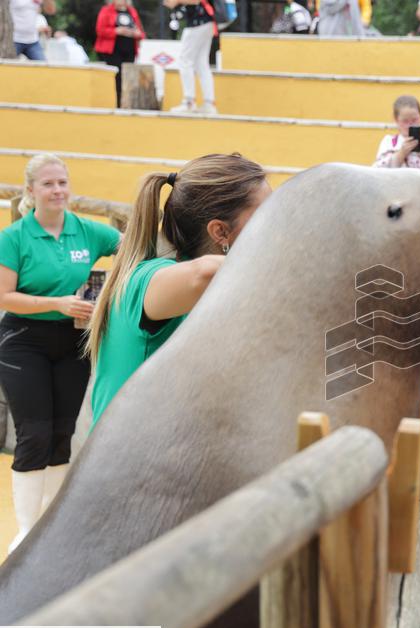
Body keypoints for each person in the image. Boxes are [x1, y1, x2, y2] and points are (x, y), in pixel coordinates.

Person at [88, 154, 271, 426]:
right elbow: (204, 273)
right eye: (265, 215)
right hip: (127, 462)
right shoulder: (146, 278)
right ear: (220, 231)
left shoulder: (224, 287)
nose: (274, 224)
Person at [0, 155, 120, 554]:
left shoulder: (88, 232)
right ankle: (26, 532)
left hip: (72, 341)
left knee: (61, 435)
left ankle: (51, 532)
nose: (57, 191)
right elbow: (4, 296)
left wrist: (111, 293)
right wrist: (58, 303)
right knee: (34, 434)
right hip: (23, 338)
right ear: (31, 191)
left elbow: (133, 248)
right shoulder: (14, 237)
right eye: (48, 184)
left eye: (62, 183)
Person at [163, 0, 218, 114]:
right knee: (201, 63)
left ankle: (189, 102)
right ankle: (209, 103)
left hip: (198, 22)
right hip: (205, 21)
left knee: (185, 60)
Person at [95, 0, 146, 107]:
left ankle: (126, 103)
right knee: (116, 77)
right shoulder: (106, 11)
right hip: (112, 50)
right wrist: (116, 31)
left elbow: (141, 32)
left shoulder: (132, 11)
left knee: (127, 77)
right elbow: (100, 30)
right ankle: (116, 103)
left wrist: (136, 33)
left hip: (129, 50)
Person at [374, 95, 420, 169]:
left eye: (414, 120)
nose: (410, 125)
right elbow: (378, 171)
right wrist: (401, 154)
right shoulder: (389, 142)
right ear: (396, 120)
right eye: (405, 121)